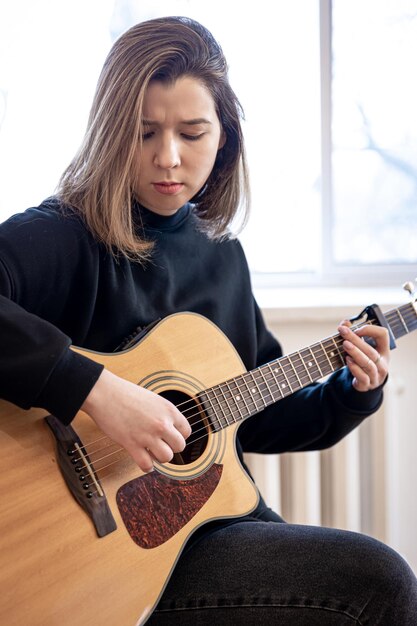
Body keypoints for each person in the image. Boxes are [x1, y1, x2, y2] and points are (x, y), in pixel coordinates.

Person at [0, 15, 416, 625]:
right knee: (379, 584)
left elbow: (256, 411)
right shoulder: (61, 236)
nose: (168, 158)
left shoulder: (223, 257)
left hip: (202, 531)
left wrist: (351, 392)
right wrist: (96, 390)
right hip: (87, 552)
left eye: (192, 133)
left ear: (225, 138)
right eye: (144, 133)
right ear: (112, 135)